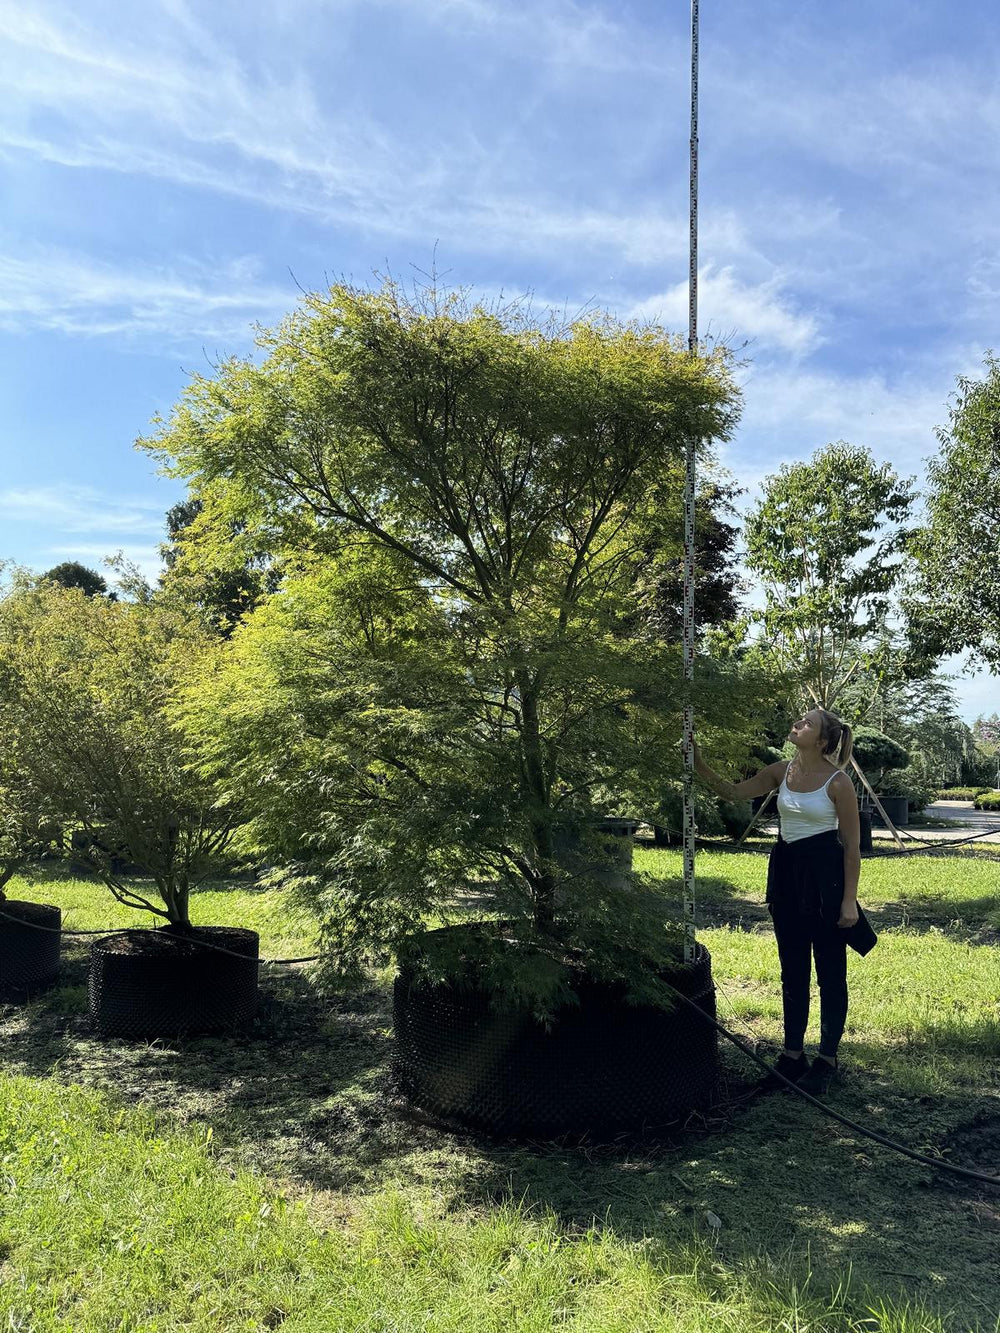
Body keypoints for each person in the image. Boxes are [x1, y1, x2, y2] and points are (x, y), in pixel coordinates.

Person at [692, 708, 859, 1096]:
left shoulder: (838, 783)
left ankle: (827, 1059)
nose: (797, 724)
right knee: (792, 968)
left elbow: (851, 847)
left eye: (807, 724)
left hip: (825, 881)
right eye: (799, 719)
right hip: (786, 875)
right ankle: (792, 1055)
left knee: (831, 971)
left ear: (821, 741)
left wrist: (848, 902)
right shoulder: (780, 770)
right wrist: (697, 760)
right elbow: (732, 792)